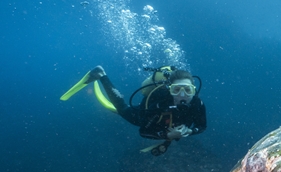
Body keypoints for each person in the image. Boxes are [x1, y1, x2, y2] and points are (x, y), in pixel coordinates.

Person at [61, 65, 207, 155]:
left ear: (194, 90)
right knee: (123, 110)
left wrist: (190, 131)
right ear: (170, 90)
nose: (182, 95)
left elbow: (202, 126)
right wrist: (167, 135)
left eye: (188, 90)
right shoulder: (159, 103)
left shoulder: (197, 103)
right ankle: (101, 75)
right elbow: (143, 131)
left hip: (167, 126)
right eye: (176, 90)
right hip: (144, 115)